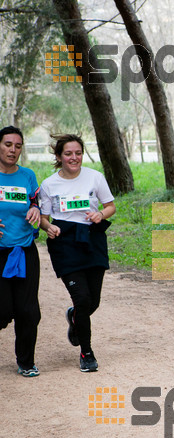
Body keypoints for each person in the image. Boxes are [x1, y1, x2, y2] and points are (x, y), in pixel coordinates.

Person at [39, 134, 116, 373]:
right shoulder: (49, 184)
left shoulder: (95, 177)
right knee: (82, 299)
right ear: (59, 157)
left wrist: (100, 215)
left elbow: (110, 206)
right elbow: (43, 218)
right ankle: (87, 352)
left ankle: (74, 317)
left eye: (78, 153)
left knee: (92, 301)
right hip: (65, 243)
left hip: (92, 240)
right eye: (68, 154)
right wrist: (48, 226)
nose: (74, 158)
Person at [0, 126, 42, 377]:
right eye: (7, 144)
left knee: (28, 311)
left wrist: (36, 209)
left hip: (24, 251)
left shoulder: (27, 176)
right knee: (2, 310)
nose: (12, 150)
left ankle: (26, 362)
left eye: (17, 146)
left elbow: (35, 200)